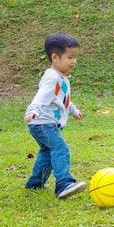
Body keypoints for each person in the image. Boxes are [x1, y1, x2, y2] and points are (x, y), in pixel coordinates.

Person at [24, 32, 87, 199]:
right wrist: (34, 109)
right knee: (60, 148)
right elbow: (42, 95)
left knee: (47, 153)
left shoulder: (60, 77)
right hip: (42, 123)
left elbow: (60, 99)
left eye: (75, 57)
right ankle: (64, 184)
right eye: (70, 57)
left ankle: (35, 184)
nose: (74, 61)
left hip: (43, 123)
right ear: (55, 57)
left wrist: (73, 110)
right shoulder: (52, 77)